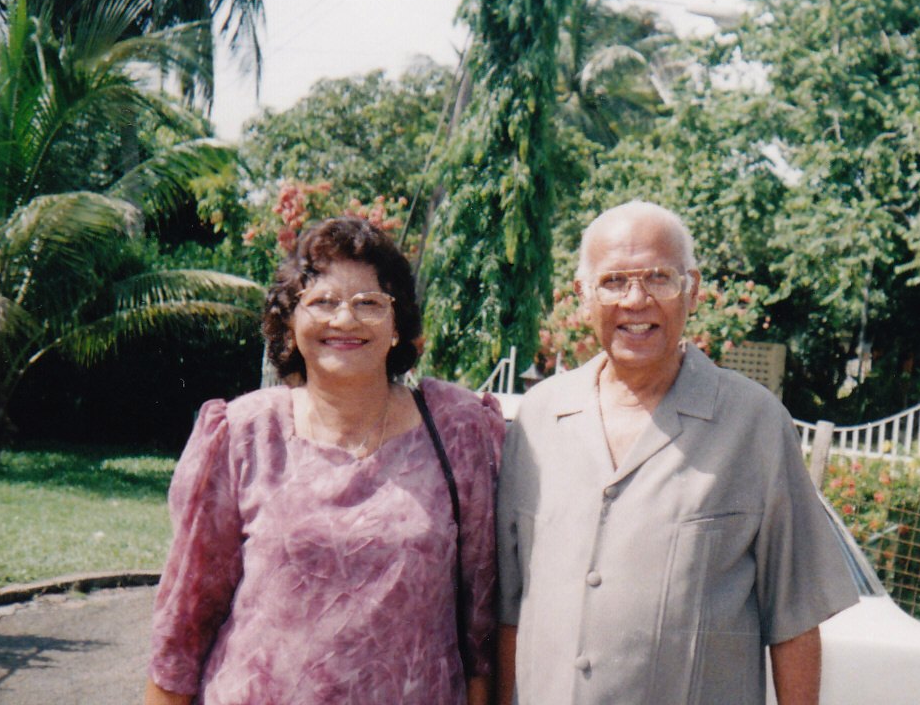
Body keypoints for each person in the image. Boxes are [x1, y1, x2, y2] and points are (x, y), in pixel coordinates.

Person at [496, 201, 858, 705]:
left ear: (692, 288)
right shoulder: (539, 418)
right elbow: (510, 610)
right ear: (583, 295)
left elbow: (794, 620)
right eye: (614, 281)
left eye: (659, 279)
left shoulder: (753, 424)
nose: (636, 300)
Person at [146, 216, 505, 705]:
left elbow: (480, 623)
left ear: (398, 326)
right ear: (291, 323)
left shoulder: (459, 430)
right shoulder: (243, 434)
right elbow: (183, 626)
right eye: (322, 302)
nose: (345, 320)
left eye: (369, 303)